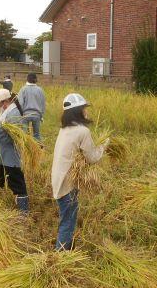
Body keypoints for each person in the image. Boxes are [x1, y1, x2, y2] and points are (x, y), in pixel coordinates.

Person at [51, 93, 107, 250]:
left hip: (58, 179)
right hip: (67, 184)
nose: (85, 112)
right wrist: (104, 147)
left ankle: (64, 250)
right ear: (78, 111)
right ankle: (60, 257)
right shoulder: (83, 131)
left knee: (66, 218)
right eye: (83, 109)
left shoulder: (64, 129)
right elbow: (92, 158)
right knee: (67, 222)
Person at [0, 88, 29, 214]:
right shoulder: (5, 110)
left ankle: (23, 213)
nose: (0, 107)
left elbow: (9, 139)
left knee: (17, 183)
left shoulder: (14, 114)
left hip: (10, 156)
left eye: (1, 104)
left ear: (6, 100)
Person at [18, 73, 46, 142]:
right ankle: (38, 148)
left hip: (25, 115)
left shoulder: (23, 89)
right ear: (35, 80)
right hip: (36, 115)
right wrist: (41, 115)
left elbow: (20, 103)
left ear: (27, 79)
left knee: (25, 134)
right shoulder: (40, 90)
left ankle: (27, 148)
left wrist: (20, 115)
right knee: (37, 134)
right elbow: (42, 103)